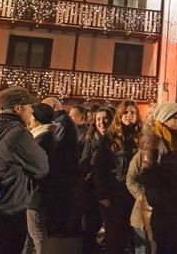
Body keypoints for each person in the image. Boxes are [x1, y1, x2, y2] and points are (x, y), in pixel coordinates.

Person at [0, 87, 49, 254]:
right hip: (10, 208)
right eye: (29, 106)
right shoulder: (17, 134)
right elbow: (43, 167)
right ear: (18, 108)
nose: (31, 111)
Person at [139, 101, 177, 254]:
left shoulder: (173, 139)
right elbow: (148, 173)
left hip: (173, 205)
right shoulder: (155, 140)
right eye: (176, 118)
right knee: (162, 247)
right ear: (164, 118)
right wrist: (161, 200)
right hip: (162, 208)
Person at [95, 100, 142, 253]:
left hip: (135, 195)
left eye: (133, 113)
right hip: (115, 193)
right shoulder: (110, 138)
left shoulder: (141, 137)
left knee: (134, 237)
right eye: (126, 113)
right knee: (115, 237)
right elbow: (100, 168)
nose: (129, 116)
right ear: (120, 115)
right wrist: (103, 195)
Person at [40, 97, 79, 233]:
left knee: (58, 208)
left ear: (54, 106)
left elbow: (53, 144)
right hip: (64, 173)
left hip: (61, 173)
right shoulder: (63, 121)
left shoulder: (61, 122)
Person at [24, 104, 58, 254]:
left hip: (37, 193)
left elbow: (37, 167)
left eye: (32, 115)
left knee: (36, 231)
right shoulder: (43, 136)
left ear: (37, 119)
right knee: (30, 233)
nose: (29, 119)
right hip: (36, 192)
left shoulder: (43, 139)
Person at [79, 105, 111, 253]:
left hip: (110, 189)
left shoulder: (115, 139)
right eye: (98, 119)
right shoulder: (90, 137)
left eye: (105, 119)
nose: (102, 122)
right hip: (91, 189)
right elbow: (84, 160)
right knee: (91, 225)